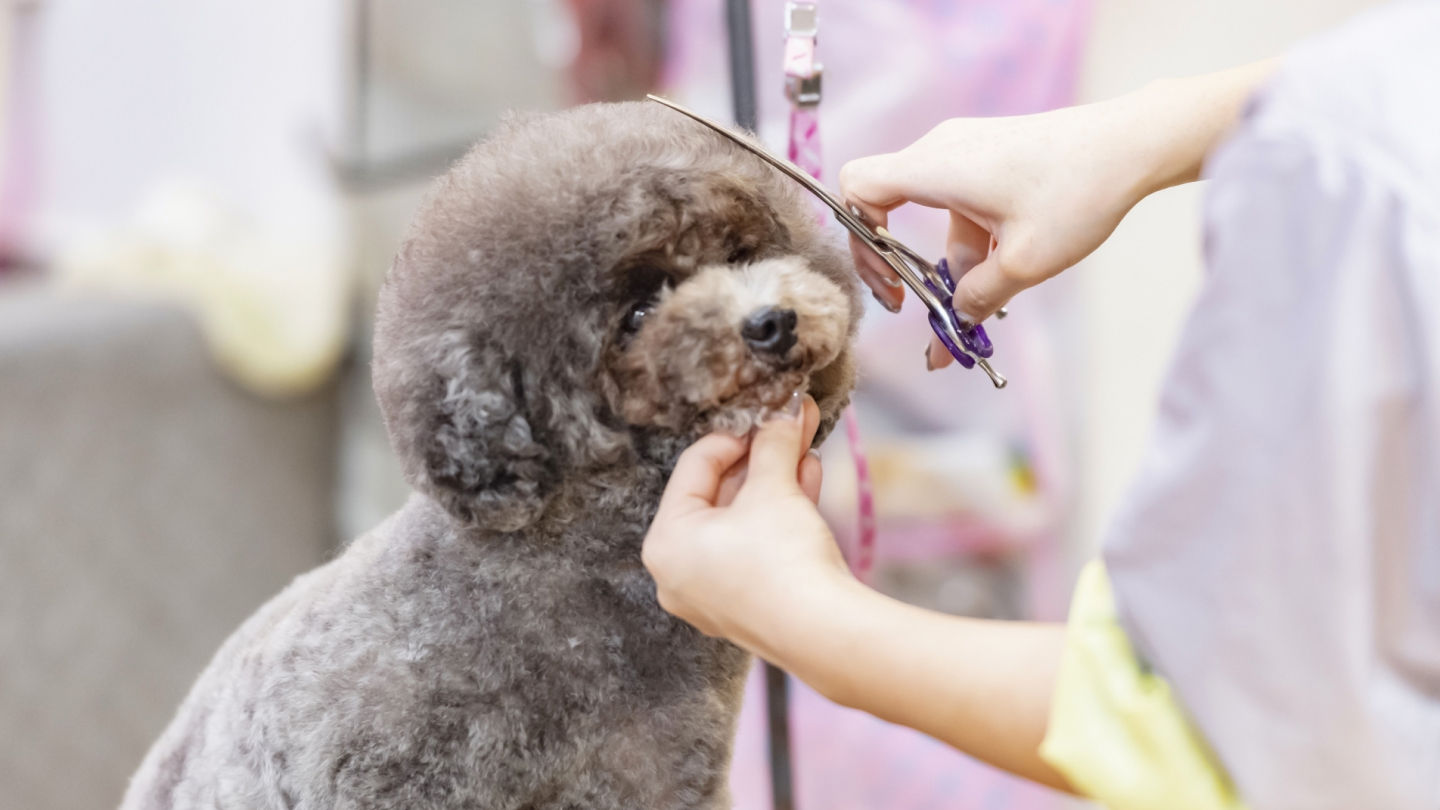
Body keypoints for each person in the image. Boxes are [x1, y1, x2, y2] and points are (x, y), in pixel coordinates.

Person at [641, 3, 1440, 809]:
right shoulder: (1357, 153)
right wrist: (1156, 130)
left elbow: (1201, 723)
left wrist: (798, 614)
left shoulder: (1352, 193)